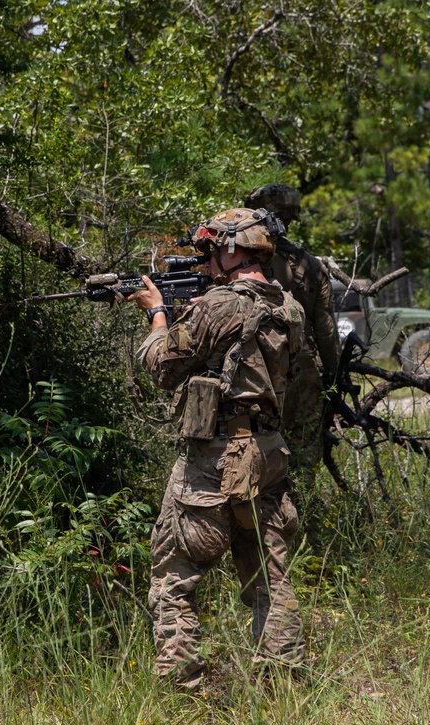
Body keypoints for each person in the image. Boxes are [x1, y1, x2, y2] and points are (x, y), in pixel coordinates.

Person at [126, 207, 307, 690]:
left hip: (213, 462)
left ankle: (183, 692)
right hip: (268, 454)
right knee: (270, 582)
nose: (204, 261)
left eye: (209, 251)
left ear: (231, 249)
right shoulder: (288, 305)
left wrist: (157, 313)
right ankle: (284, 687)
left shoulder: (221, 305)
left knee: (173, 578)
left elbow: (161, 365)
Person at [244, 184, 340, 433]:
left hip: (251, 371)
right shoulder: (312, 266)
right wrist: (335, 376)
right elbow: (326, 331)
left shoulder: (236, 262)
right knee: (303, 449)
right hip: (300, 370)